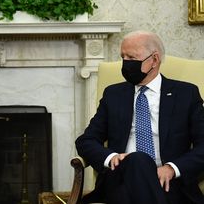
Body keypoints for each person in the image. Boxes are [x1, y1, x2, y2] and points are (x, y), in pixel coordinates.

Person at [75, 31, 204, 204]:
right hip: (121, 177)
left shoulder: (186, 94)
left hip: (168, 181)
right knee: (137, 159)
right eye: (123, 57)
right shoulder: (114, 94)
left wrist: (172, 168)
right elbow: (86, 140)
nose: (126, 64)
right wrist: (111, 157)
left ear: (154, 60)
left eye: (132, 58)